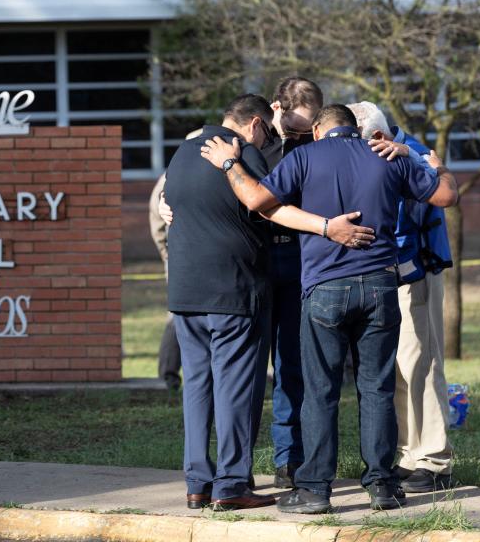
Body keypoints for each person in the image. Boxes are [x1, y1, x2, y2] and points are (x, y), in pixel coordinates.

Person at [199, 104, 459, 514]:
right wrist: (435, 165)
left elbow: (255, 199)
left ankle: (316, 489)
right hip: (380, 287)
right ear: (355, 130)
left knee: (320, 391)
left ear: (318, 131)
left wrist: (229, 161)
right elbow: (446, 195)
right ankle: (383, 486)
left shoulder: (303, 156)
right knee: (377, 388)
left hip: (324, 289)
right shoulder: (386, 155)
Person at [165, 95, 373, 511]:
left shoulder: (181, 153)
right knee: (236, 388)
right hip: (233, 290)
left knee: (197, 388)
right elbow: (270, 205)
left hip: (184, 292)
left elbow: (171, 206)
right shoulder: (242, 154)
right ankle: (232, 484)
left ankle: (196, 482)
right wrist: (326, 227)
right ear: (256, 124)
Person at [348, 101, 455, 493]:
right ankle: (409, 455)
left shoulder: (413, 155)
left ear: (376, 137)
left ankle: (433, 461)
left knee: (420, 364)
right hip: (383, 276)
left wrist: (412, 158)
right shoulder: (386, 150)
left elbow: (441, 191)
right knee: (394, 370)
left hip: (414, 275)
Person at [258, 77, 324, 489]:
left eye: (307, 130)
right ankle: (234, 466)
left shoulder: (317, 144)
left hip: (302, 258)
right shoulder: (250, 144)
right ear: (274, 109)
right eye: (294, 129)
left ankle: (289, 458)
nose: (300, 137)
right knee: (247, 367)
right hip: (257, 260)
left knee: (292, 364)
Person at [148, 172, 182, 391]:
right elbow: (156, 214)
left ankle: (167, 375)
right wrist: (166, 253)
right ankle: (167, 374)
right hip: (179, 255)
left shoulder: (174, 171)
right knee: (176, 317)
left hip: (177, 253)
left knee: (177, 315)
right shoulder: (173, 174)